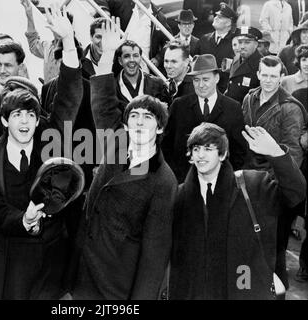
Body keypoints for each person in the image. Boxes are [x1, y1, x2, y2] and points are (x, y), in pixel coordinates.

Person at [0, 6, 83, 299]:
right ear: (4, 120)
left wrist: (69, 41)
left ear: (38, 118)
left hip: (49, 264)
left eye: (30, 115)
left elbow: (70, 95)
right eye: (17, 115)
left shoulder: (51, 144)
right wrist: (24, 219)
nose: (24, 122)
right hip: (8, 262)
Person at [72, 19, 177, 300]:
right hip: (84, 272)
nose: (140, 123)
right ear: (126, 124)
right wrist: (107, 54)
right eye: (134, 117)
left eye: (148, 118)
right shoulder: (117, 143)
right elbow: (104, 101)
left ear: (160, 128)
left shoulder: (164, 180)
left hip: (118, 283)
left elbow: (155, 255)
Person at [165, 122, 306, 299]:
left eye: (208, 148)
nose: (201, 154)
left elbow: (296, 193)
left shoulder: (254, 185)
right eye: (196, 149)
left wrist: (276, 154)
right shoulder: (178, 197)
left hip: (244, 290)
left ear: (223, 154)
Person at [242, 55, 308, 293]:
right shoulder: (250, 97)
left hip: (275, 187)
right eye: (265, 75)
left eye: (274, 76)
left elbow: (292, 154)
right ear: (258, 74)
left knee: (275, 250)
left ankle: (278, 293)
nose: (268, 80)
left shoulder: (290, 107)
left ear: (282, 77)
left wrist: (270, 180)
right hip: (248, 183)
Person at [162, 54, 247, 183]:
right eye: (196, 80)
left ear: (217, 78)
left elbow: (239, 152)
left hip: (220, 183)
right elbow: (166, 145)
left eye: (206, 79)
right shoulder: (179, 106)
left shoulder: (233, 108)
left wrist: (226, 179)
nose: (201, 85)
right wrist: (176, 175)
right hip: (184, 182)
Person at [94, 0, 172, 73]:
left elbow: (170, 42)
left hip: (143, 69)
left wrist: (158, 59)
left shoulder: (159, 18)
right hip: (118, 65)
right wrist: (104, 11)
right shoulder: (122, 3)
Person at [22, 0, 72, 83]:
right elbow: (33, 43)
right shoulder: (48, 46)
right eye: (54, 24)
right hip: (49, 93)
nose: (57, 28)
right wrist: (29, 15)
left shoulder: (74, 50)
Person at [111, 39, 170, 108]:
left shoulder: (158, 84)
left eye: (135, 56)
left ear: (141, 59)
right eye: (127, 56)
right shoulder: (112, 88)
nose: (132, 60)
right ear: (120, 61)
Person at [199, 2, 238, 93]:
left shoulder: (235, 43)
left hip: (224, 90)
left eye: (220, 17)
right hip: (203, 88)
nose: (215, 18)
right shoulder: (204, 39)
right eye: (216, 15)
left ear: (228, 23)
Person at [225, 27, 263, 104]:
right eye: (240, 42)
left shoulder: (261, 64)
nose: (242, 46)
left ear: (256, 44)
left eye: (247, 42)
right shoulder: (236, 59)